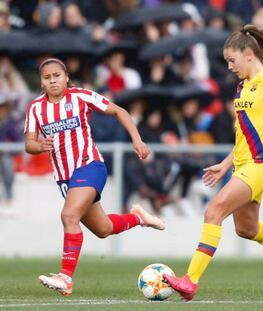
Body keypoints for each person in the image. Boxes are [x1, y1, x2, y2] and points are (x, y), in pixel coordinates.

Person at [163, 24, 263, 301]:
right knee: (247, 229)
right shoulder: (242, 88)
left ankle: (190, 281)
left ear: (248, 54)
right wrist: (225, 163)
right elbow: (245, 133)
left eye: (231, 60)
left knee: (214, 211)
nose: (230, 66)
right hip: (243, 164)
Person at [24, 58, 166, 296]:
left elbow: (118, 111)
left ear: (66, 77)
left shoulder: (80, 96)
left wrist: (137, 139)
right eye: (47, 78)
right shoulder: (36, 108)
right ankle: (139, 218)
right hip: (66, 179)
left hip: (90, 166)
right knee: (103, 228)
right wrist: (39, 146)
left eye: (57, 76)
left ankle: (66, 277)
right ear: (41, 82)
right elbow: (29, 142)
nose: (53, 81)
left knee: (69, 215)